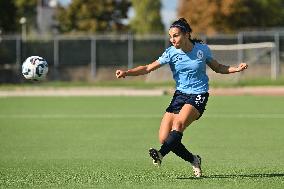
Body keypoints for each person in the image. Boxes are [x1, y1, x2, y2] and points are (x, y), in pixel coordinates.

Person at [115, 18, 248, 178]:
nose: (172, 39)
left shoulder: (202, 50)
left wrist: (236, 69)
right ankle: (194, 159)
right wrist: (127, 73)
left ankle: (161, 154)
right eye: (170, 36)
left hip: (199, 94)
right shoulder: (171, 52)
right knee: (165, 137)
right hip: (180, 95)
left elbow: (218, 68)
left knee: (178, 124)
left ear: (186, 34)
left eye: (176, 35)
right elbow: (148, 68)